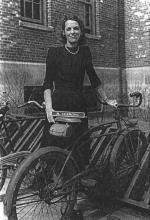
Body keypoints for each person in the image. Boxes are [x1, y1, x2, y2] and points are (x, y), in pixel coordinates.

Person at [42, 15, 117, 165]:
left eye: (76, 28)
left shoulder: (85, 52)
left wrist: (106, 99)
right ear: (63, 33)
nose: (72, 32)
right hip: (58, 104)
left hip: (78, 104)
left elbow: (94, 79)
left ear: (81, 32)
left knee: (79, 146)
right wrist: (49, 108)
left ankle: (76, 183)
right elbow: (47, 83)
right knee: (52, 145)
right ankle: (48, 183)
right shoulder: (54, 52)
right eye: (68, 29)